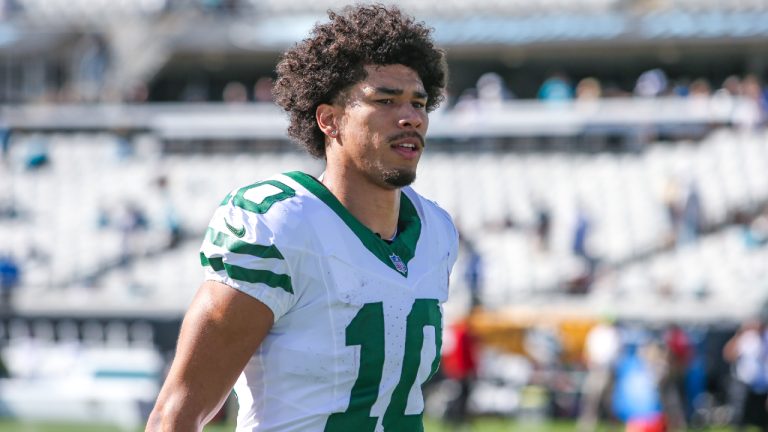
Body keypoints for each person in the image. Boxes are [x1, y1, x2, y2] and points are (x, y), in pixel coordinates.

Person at [146, 5, 457, 432]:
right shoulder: (280, 224)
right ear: (330, 120)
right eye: (385, 100)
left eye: (419, 103)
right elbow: (177, 414)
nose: (411, 117)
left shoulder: (436, 230)